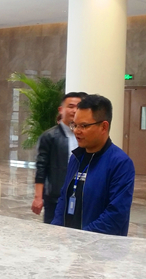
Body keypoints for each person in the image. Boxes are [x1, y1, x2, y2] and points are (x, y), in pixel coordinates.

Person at [51, 94, 135, 235]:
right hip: (70, 243)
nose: (76, 131)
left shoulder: (120, 163)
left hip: (100, 245)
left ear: (103, 127)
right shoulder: (75, 158)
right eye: (74, 125)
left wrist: (82, 238)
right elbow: (64, 198)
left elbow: (115, 215)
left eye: (83, 126)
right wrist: (56, 229)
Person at [32, 92, 86, 223]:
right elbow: (41, 167)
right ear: (61, 110)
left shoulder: (85, 136)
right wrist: (38, 197)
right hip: (55, 197)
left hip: (81, 196)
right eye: (71, 106)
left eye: (78, 107)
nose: (74, 110)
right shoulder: (50, 136)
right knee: (54, 230)